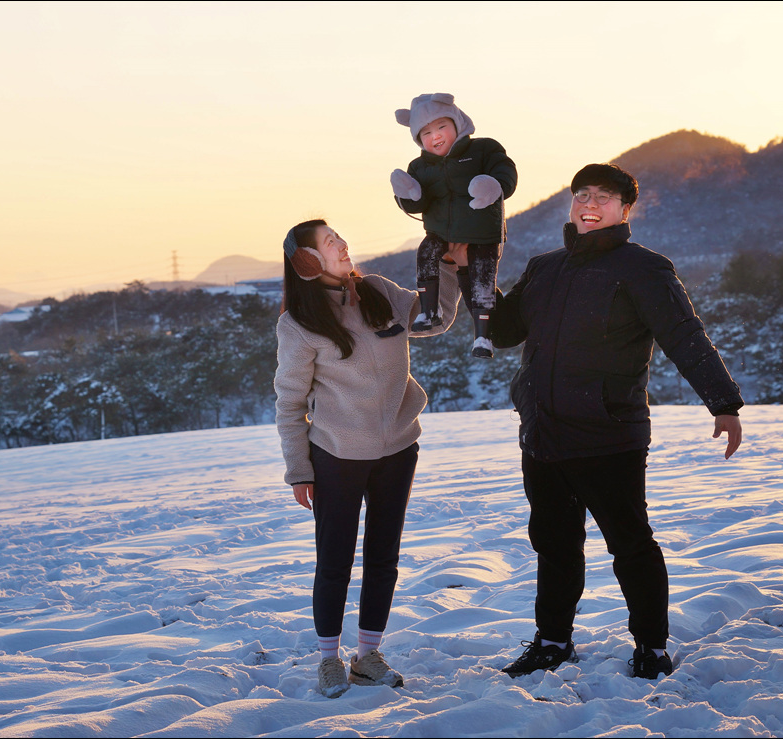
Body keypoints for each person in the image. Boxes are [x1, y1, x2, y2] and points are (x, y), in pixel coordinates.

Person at [455, 163, 744, 681]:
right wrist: (466, 271)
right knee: (554, 546)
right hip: (543, 434)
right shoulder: (545, 268)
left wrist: (723, 402)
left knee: (630, 545)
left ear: (625, 210)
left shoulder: (644, 268)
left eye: (604, 197)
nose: (590, 204)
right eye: (582, 195)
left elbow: (683, 334)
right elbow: (502, 330)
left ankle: (651, 647)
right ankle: (552, 641)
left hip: (608, 434)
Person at [274, 219, 465, 698]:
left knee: (383, 557)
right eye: (329, 241)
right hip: (337, 457)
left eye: (338, 235)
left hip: (398, 449)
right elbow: (290, 404)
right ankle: (329, 660)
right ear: (308, 262)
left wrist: (449, 266)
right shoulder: (299, 324)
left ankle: (368, 656)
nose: (341, 243)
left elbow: (435, 318)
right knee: (334, 562)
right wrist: (299, 470)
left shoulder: (379, 291)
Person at [390, 92, 517, 359]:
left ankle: (483, 336)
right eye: (426, 132)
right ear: (418, 139)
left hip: (482, 233)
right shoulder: (419, 166)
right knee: (425, 253)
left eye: (441, 126)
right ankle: (429, 310)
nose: (435, 136)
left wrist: (494, 186)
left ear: (457, 123)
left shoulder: (483, 149)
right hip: (441, 233)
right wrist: (407, 193)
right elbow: (417, 203)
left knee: (482, 280)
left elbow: (505, 172)